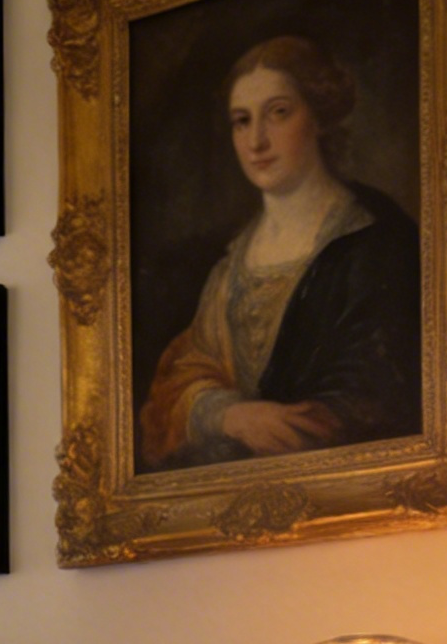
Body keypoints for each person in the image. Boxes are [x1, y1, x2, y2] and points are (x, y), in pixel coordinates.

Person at [138, 35, 421, 471]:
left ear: (320, 114)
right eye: (241, 120)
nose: (256, 141)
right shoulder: (229, 262)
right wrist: (230, 415)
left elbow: (383, 396)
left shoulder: (378, 243)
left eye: (279, 113)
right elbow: (178, 380)